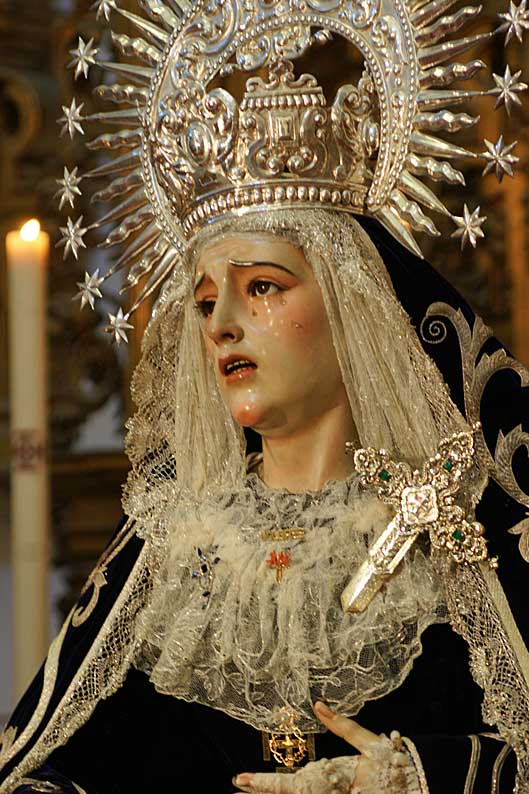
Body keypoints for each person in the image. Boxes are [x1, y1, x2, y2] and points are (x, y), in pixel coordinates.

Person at [1, 1, 529, 792]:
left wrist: (417, 778)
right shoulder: (169, 554)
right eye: (205, 300)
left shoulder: (459, 540)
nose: (222, 324)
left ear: (353, 305)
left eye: (262, 287)